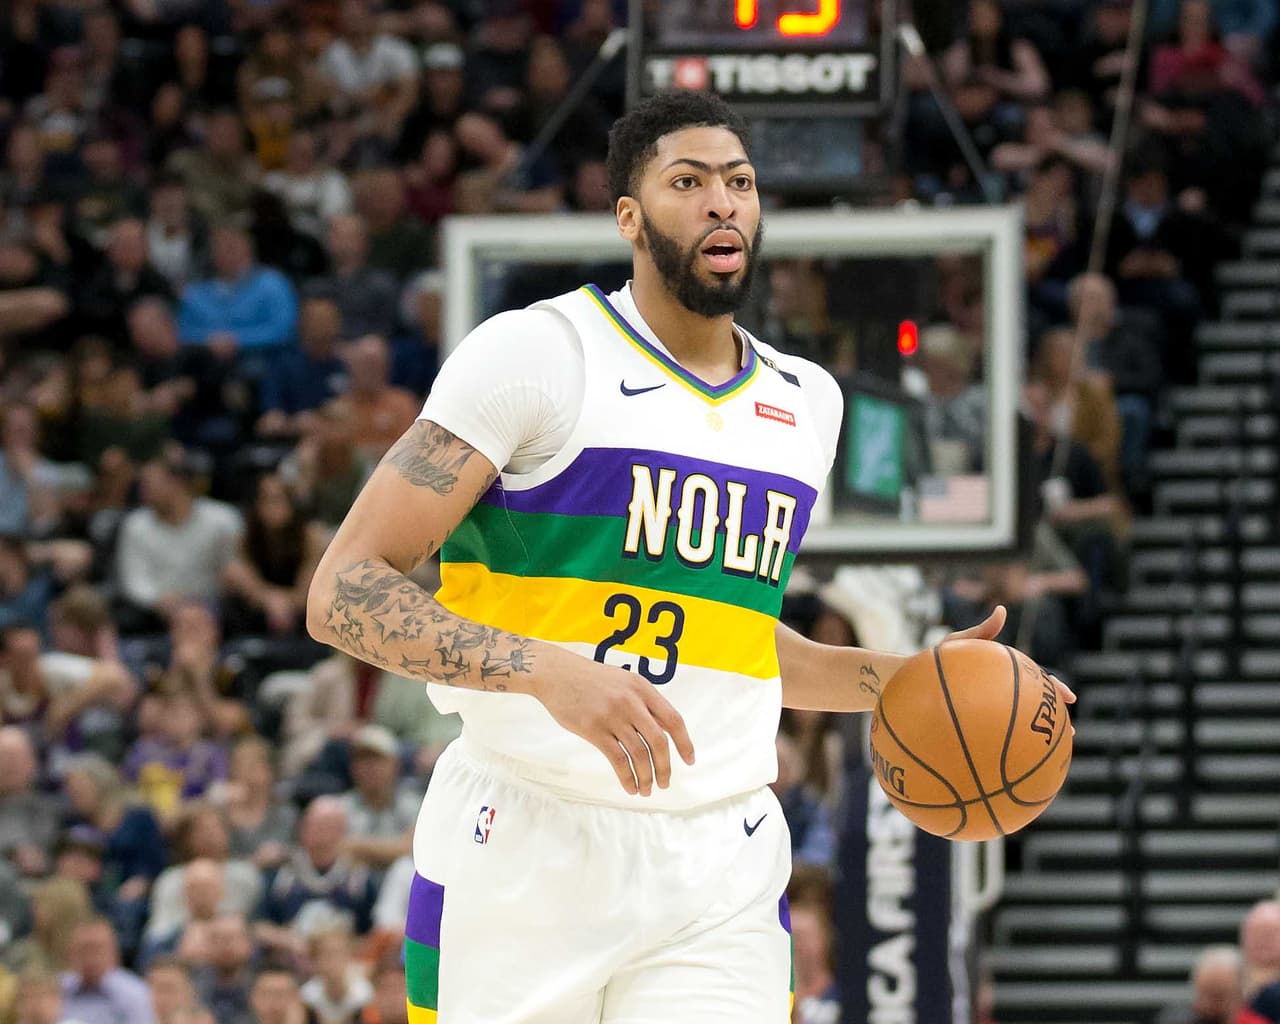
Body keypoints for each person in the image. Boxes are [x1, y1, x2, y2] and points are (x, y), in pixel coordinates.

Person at [306, 91, 1072, 1022]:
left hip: (721, 861)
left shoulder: (807, 403)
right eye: (689, 181)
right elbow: (344, 591)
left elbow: (733, 639)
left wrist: (904, 678)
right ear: (628, 215)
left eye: (740, 183)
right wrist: (545, 671)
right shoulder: (536, 356)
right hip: (522, 840)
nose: (723, 202)